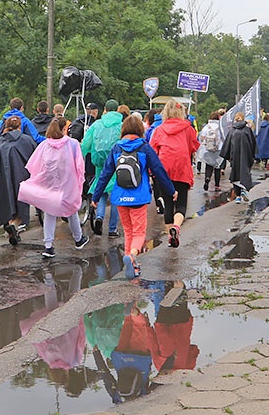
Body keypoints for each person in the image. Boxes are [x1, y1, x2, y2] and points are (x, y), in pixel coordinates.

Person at [91, 114, 176, 280]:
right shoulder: (144, 147)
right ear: (139, 130)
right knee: (139, 232)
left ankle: (131, 263)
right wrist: (171, 191)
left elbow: (105, 174)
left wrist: (96, 196)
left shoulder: (116, 148)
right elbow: (158, 170)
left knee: (128, 231)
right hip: (139, 196)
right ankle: (132, 256)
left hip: (120, 196)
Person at [18, 118, 90, 259]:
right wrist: (80, 181)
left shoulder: (45, 145)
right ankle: (78, 239)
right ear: (64, 129)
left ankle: (49, 246)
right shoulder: (73, 144)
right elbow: (80, 167)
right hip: (68, 185)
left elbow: (34, 165)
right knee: (71, 211)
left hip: (50, 185)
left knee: (50, 213)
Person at [149, 99, 199, 247]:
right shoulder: (188, 128)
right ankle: (176, 227)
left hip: (164, 171)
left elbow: (153, 151)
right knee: (181, 204)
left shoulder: (159, 130)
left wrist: (153, 172)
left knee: (168, 204)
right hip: (182, 169)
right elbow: (194, 146)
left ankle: (171, 236)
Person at [0, 115, 37, 245]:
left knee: (6, 203)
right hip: (21, 178)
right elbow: (35, 159)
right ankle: (14, 225)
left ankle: (9, 224)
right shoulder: (26, 140)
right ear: (19, 127)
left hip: (2, 181)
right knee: (21, 206)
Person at [82, 99, 124, 238]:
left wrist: (83, 155)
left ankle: (99, 216)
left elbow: (86, 144)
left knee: (102, 190)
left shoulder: (97, 124)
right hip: (117, 163)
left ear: (105, 109)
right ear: (117, 110)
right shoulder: (121, 125)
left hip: (99, 163)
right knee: (115, 196)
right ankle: (112, 229)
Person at [219, 112, 256, 203]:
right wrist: (253, 155)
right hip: (246, 156)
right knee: (245, 173)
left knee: (235, 174)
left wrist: (227, 156)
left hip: (234, 156)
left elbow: (227, 144)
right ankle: (244, 190)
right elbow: (253, 143)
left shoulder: (232, 130)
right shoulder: (247, 130)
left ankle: (238, 196)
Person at [197, 111, 224, 192]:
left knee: (208, 166)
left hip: (207, 150)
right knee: (217, 167)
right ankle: (217, 186)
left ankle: (207, 178)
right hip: (218, 149)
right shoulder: (220, 127)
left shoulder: (206, 127)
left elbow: (201, 138)